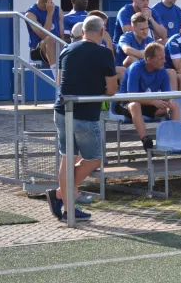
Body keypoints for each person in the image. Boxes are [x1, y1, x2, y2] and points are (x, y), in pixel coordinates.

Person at [46, 16, 118, 222]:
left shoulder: (66, 50)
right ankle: (62, 193)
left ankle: (68, 207)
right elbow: (112, 90)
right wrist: (98, 87)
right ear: (102, 32)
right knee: (93, 158)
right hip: (85, 114)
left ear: (83, 31)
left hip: (61, 110)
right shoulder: (104, 53)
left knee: (68, 158)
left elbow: (60, 81)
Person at [116, 42, 181, 151]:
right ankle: (146, 140)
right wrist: (153, 102)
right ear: (149, 59)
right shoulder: (135, 68)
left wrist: (170, 101)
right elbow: (131, 97)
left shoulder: (163, 71)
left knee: (175, 106)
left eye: (164, 58)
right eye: (160, 58)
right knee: (135, 105)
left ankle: (177, 139)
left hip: (149, 104)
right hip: (126, 103)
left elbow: (168, 94)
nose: (164, 61)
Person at [25, 0, 65, 76]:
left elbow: (61, 35)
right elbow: (44, 35)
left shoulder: (58, 10)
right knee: (49, 39)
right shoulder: (30, 14)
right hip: (38, 51)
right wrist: (49, 13)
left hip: (56, 49)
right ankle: (57, 76)